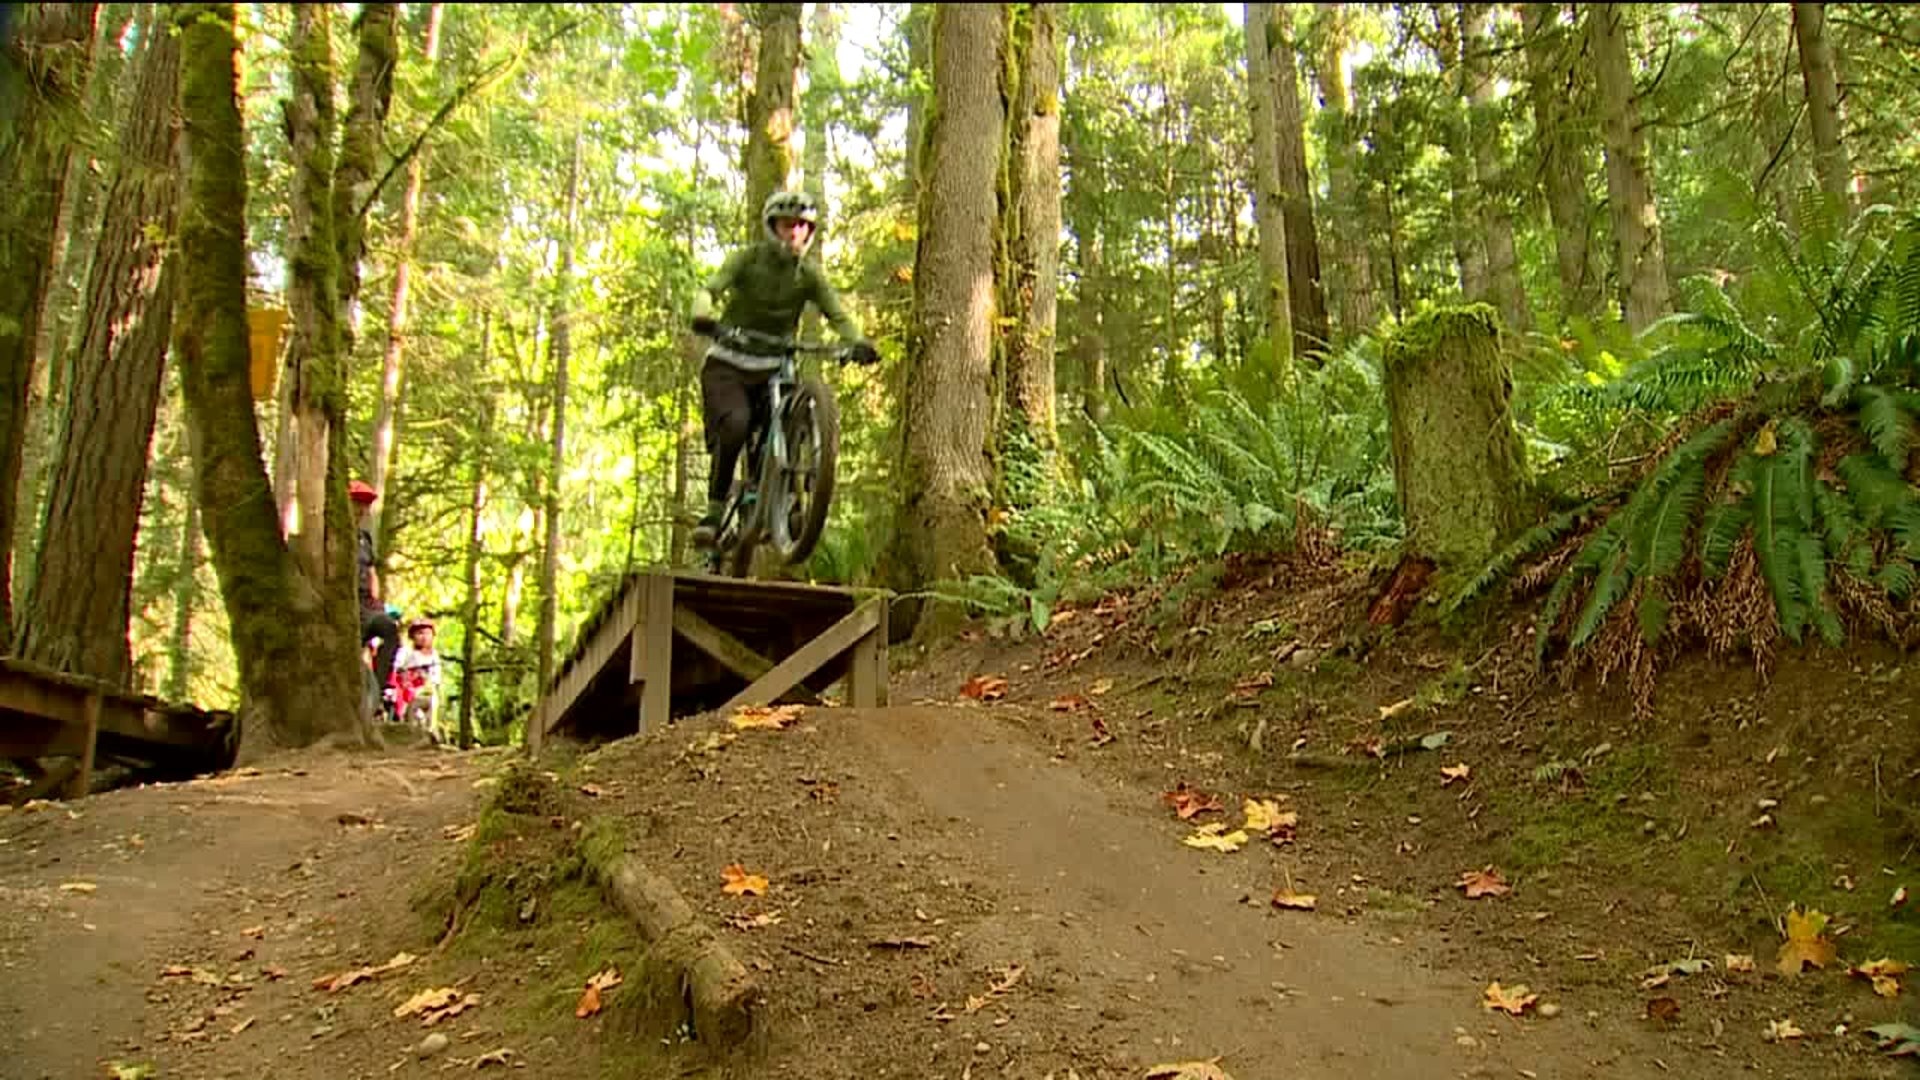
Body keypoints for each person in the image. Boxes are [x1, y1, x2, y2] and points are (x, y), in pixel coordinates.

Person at [688, 189, 880, 549]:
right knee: (737, 424)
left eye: (802, 227)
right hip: (728, 362)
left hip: (774, 366)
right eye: (787, 225)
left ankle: (785, 498)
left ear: (809, 233)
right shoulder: (747, 260)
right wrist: (703, 315)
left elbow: (837, 315)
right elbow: (710, 288)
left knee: (792, 409)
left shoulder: (808, 275)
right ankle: (714, 512)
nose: (794, 233)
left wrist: (857, 342)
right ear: (771, 227)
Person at [352, 480, 400, 692]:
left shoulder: (364, 538)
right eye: (356, 503)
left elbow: (371, 570)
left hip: (366, 603)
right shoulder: (333, 536)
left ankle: (377, 689)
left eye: (364, 504)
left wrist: (376, 599)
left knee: (390, 630)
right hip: (346, 602)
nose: (361, 509)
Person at [391, 618, 442, 737]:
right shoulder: (405, 652)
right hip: (406, 691)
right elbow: (396, 670)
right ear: (412, 636)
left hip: (426, 691)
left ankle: (430, 732)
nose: (424, 637)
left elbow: (436, 678)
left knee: (433, 702)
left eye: (427, 633)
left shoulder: (434, 655)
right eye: (420, 633)